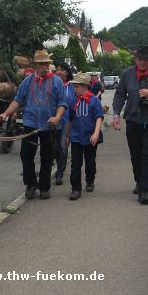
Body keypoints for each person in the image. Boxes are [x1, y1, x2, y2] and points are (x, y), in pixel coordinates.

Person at [0, 49, 67, 200]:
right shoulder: (27, 82)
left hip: (49, 125)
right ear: (35, 65)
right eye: (41, 64)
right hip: (30, 123)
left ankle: (44, 188)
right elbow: (18, 100)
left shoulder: (57, 81)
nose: (45, 67)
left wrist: (57, 117)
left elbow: (62, 103)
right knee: (26, 155)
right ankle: (30, 185)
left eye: (47, 64)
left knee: (47, 157)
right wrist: (6, 113)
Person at [112, 45, 148, 204]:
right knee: (135, 155)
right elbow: (119, 95)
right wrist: (116, 114)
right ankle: (139, 181)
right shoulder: (127, 74)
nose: (142, 62)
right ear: (135, 59)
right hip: (132, 120)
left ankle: (145, 190)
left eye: (145, 59)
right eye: (139, 59)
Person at [65, 72, 104, 200]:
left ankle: (90, 180)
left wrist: (96, 133)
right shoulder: (72, 102)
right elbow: (70, 120)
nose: (74, 89)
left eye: (76, 87)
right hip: (76, 137)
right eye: (73, 87)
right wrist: (67, 135)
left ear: (84, 87)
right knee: (75, 163)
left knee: (90, 162)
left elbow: (99, 117)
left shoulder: (94, 101)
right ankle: (75, 189)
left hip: (90, 137)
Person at [54, 61, 75, 185]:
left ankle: (59, 173)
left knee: (62, 147)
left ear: (66, 72)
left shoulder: (72, 86)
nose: (58, 72)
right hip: (54, 120)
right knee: (54, 148)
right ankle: (59, 166)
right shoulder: (54, 84)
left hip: (67, 121)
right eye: (57, 69)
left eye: (61, 69)